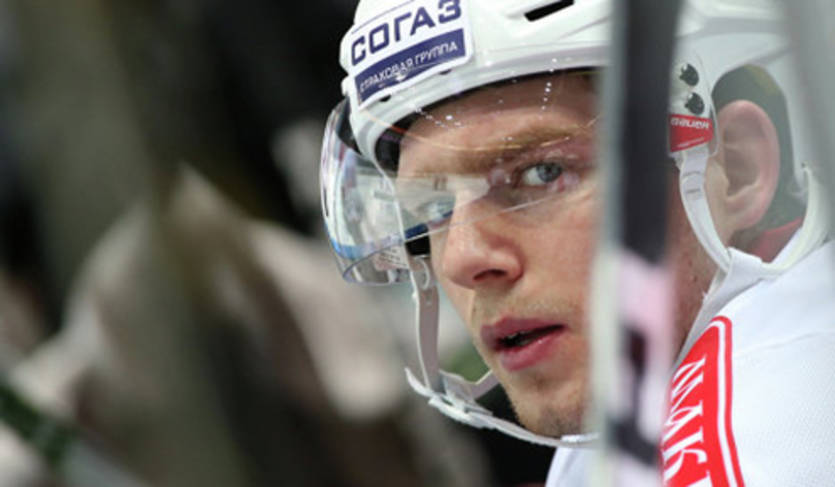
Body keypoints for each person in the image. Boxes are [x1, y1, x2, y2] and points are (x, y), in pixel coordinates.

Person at [320, 0, 835, 485]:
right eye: (434, 208)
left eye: (543, 173)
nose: (461, 258)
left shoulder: (775, 420)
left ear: (738, 170)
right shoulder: (634, 416)